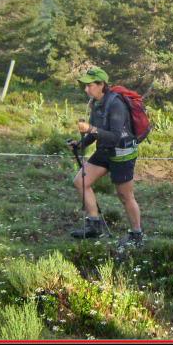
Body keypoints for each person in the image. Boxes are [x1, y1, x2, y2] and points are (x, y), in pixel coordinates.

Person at [70, 66, 144, 249]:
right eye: (84, 86)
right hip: (105, 151)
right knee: (80, 181)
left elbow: (115, 136)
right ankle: (94, 225)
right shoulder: (96, 103)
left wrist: (90, 129)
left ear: (101, 84)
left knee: (125, 195)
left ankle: (137, 235)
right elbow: (96, 131)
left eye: (89, 86)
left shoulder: (116, 104)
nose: (86, 89)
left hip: (122, 153)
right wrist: (81, 144)